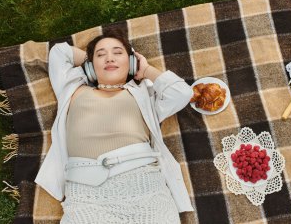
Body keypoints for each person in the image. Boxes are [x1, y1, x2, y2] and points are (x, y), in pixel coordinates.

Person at [35, 28, 194, 223]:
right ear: (91, 66)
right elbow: (59, 52)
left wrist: (145, 70)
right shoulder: (72, 88)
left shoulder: (144, 95)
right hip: (86, 197)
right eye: (101, 55)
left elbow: (182, 93)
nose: (109, 58)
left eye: (118, 53)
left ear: (131, 63)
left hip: (145, 188)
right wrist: (91, 61)